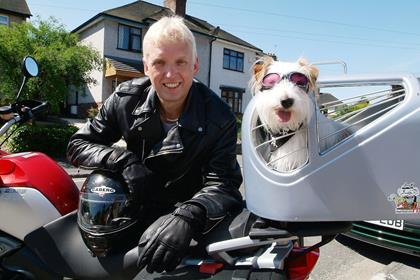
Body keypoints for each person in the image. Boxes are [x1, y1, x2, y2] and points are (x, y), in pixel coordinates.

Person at [67, 16, 243, 273]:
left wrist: (189, 215)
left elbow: (224, 184)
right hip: (133, 210)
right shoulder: (125, 99)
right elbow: (79, 144)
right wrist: (123, 161)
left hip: (187, 219)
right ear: (146, 66)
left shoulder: (220, 117)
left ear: (194, 65)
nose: (170, 74)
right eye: (159, 62)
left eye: (180, 62)